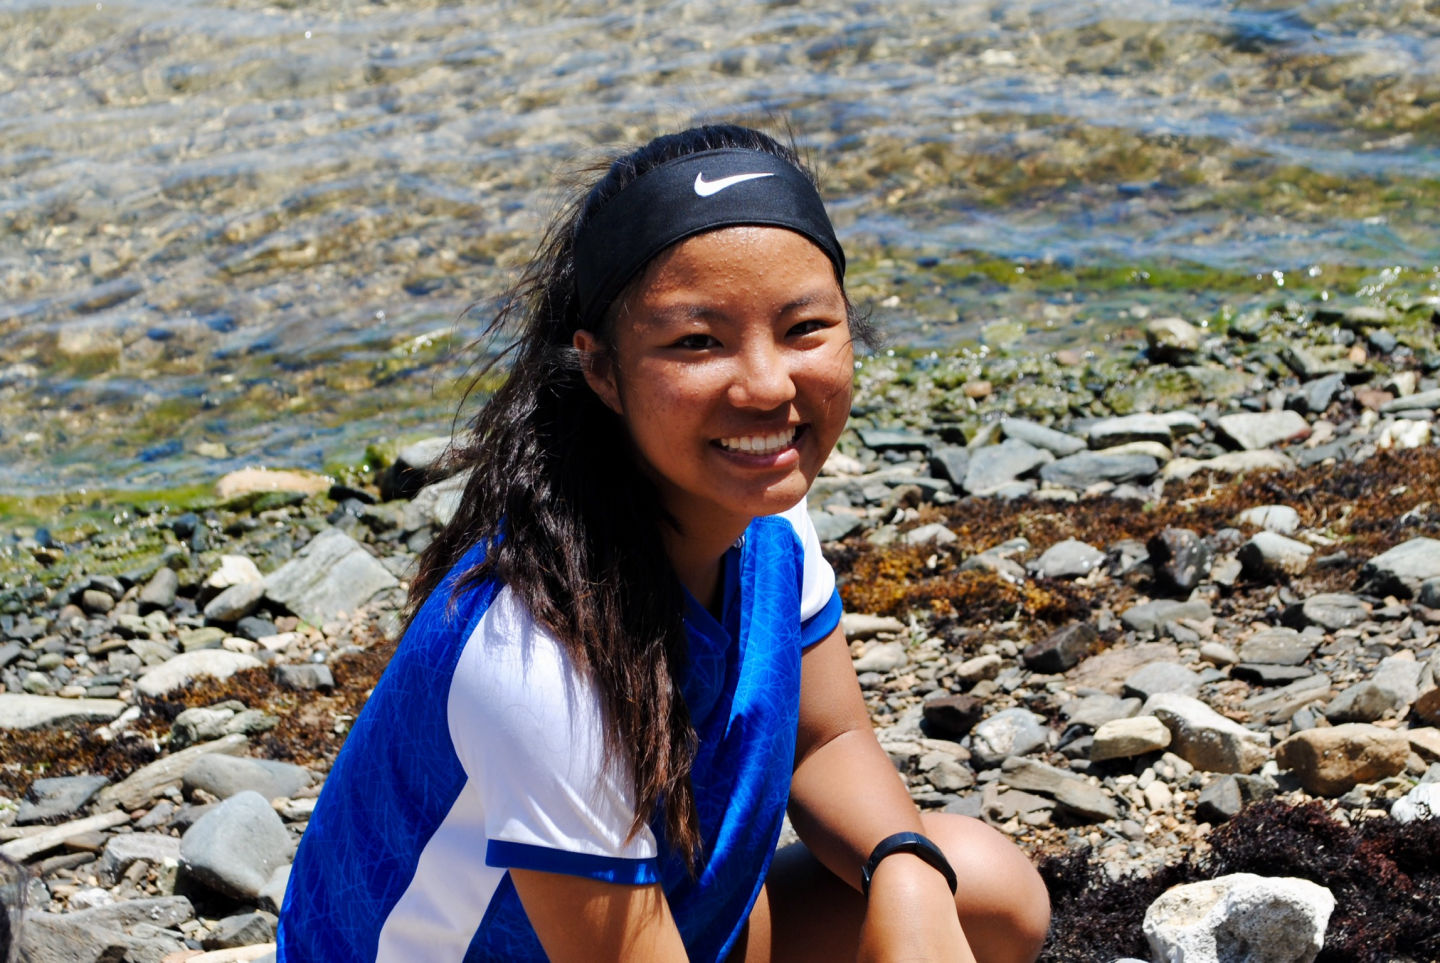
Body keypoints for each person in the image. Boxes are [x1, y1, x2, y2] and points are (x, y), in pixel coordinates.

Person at [276, 124, 1050, 962]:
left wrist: (903, 869)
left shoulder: (763, 516)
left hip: (675, 922)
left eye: (804, 328)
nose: (767, 385)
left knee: (984, 889)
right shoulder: (538, 656)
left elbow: (826, 741)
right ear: (601, 369)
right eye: (697, 342)